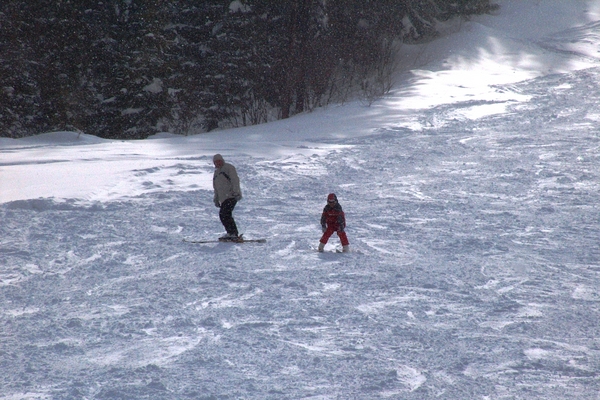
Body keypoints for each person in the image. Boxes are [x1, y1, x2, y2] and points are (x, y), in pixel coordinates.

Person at [212, 154, 242, 240]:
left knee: (225, 214)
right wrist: (216, 199)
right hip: (223, 198)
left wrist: (236, 192)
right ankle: (231, 233)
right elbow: (216, 187)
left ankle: (233, 233)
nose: (218, 163)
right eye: (216, 162)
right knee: (224, 214)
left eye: (219, 161)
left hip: (231, 195)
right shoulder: (216, 173)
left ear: (222, 160)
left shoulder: (229, 168)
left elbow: (235, 180)